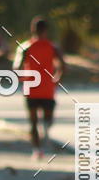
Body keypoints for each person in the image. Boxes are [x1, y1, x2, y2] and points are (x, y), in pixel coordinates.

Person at [13, 16, 65, 160]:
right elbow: (63, 66)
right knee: (48, 117)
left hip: (31, 89)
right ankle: (46, 130)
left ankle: (37, 150)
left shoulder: (25, 47)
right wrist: (57, 79)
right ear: (46, 30)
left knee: (33, 122)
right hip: (48, 88)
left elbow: (16, 68)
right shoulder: (53, 47)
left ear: (32, 30)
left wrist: (23, 79)